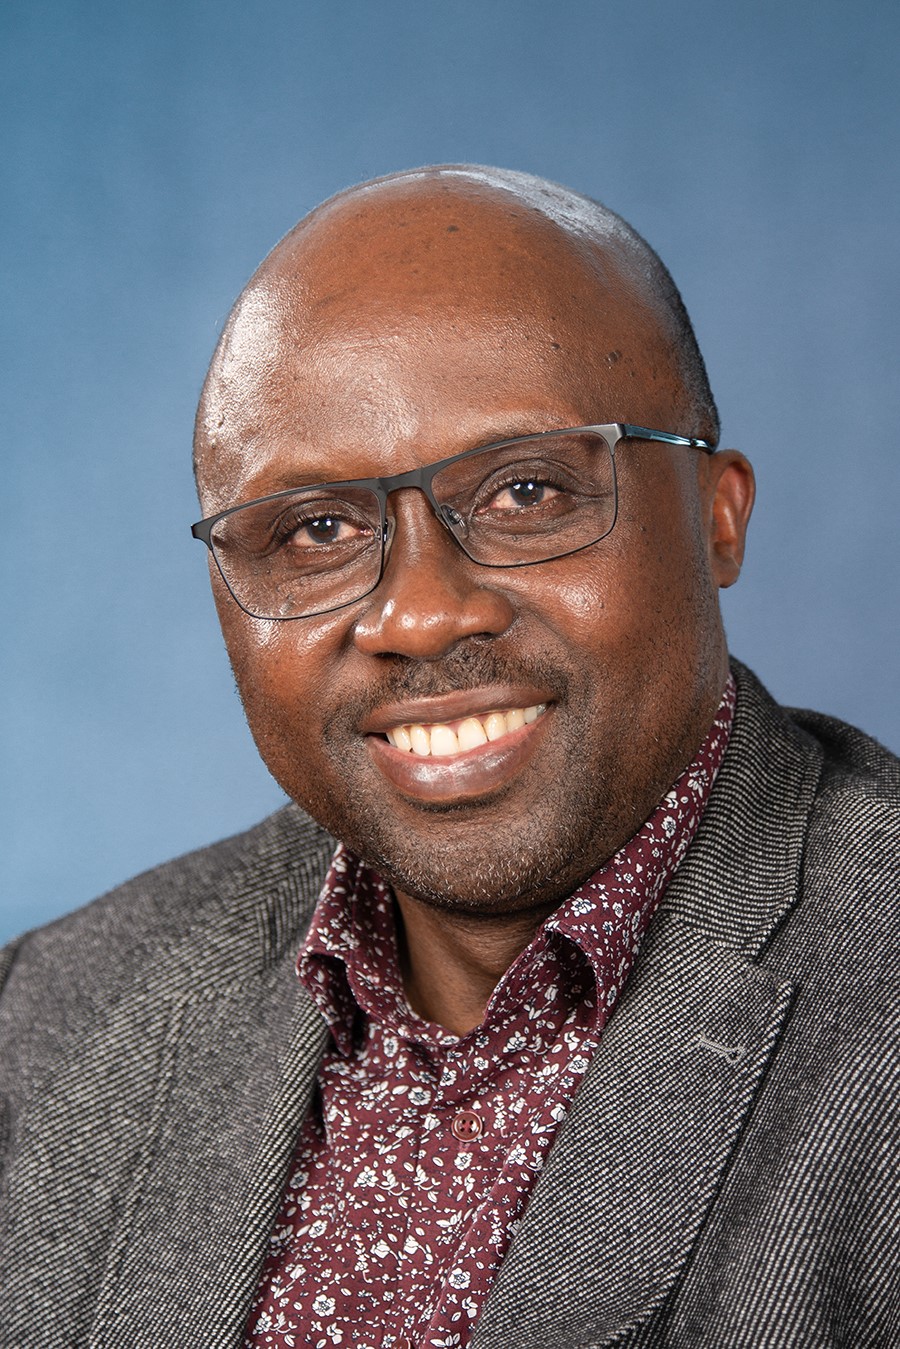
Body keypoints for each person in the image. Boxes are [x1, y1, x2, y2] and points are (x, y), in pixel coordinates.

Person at [1, 166, 897, 1349]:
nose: (420, 613)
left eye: (526, 491)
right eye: (318, 528)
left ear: (717, 514)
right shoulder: (48, 1017)